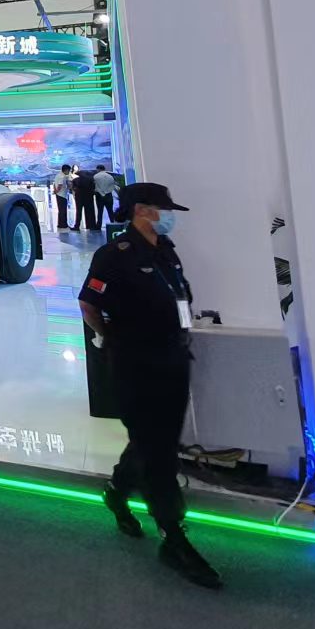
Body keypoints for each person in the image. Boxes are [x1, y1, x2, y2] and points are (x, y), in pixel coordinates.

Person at [78, 182, 219, 590]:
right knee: (157, 451)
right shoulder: (115, 255)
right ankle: (173, 537)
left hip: (174, 357)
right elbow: (89, 302)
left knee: (156, 440)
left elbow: (179, 298)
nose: (170, 216)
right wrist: (110, 338)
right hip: (136, 362)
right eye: (164, 209)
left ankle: (117, 491)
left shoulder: (165, 250)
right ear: (142, 210)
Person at [74, 160, 98, 232]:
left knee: (79, 212)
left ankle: (77, 226)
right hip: (89, 197)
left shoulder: (76, 180)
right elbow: (93, 188)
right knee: (90, 211)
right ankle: (91, 226)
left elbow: (74, 188)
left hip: (79, 198)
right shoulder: (91, 179)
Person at [53, 164, 74, 231]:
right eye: (69, 170)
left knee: (61, 210)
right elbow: (60, 185)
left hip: (59, 195)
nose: (69, 172)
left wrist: (55, 191)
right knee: (63, 210)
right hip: (62, 195)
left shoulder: (58, 175)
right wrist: (56, 191)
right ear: (66, 170)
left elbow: (54, 184)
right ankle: (63, 225)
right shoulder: (62, 177)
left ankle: (61, 224)